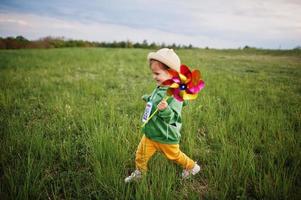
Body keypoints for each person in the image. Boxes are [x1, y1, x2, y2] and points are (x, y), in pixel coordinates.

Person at [125, 48, 200, 183]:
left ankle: (192, 167)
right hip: (151, 133)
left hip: (165, 136)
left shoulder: (175, 96)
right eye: (153, 73)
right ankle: (140, 174)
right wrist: (148, 98)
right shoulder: (160, 86)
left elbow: (173, 118)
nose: (154, 76)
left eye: (157, 73)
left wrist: (165, 110)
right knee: (141, 155)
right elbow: (155, 99)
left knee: (175, 156)